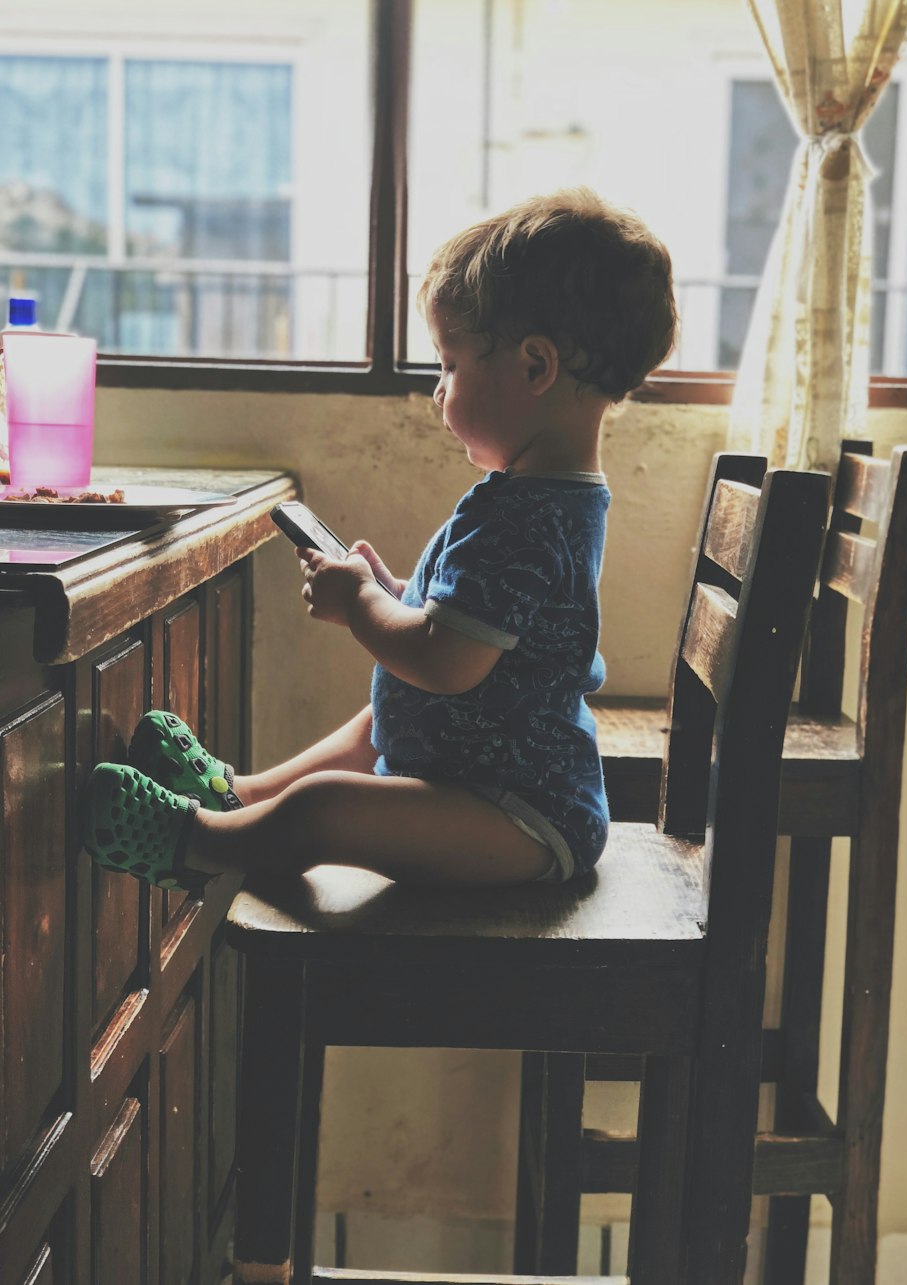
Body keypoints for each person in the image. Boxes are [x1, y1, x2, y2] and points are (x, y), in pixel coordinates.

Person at [82, 188, 677, 892]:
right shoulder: (537, 501)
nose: (438, 388)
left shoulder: (527, 518)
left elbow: (447, 662)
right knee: (379, 714)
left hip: (522, 819)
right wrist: (398, 594)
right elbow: (475, 626)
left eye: (452, 364)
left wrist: (362, 603)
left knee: (327, 807)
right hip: (490, 781)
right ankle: (242, 793)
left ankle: (199, 841)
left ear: (535, 367)